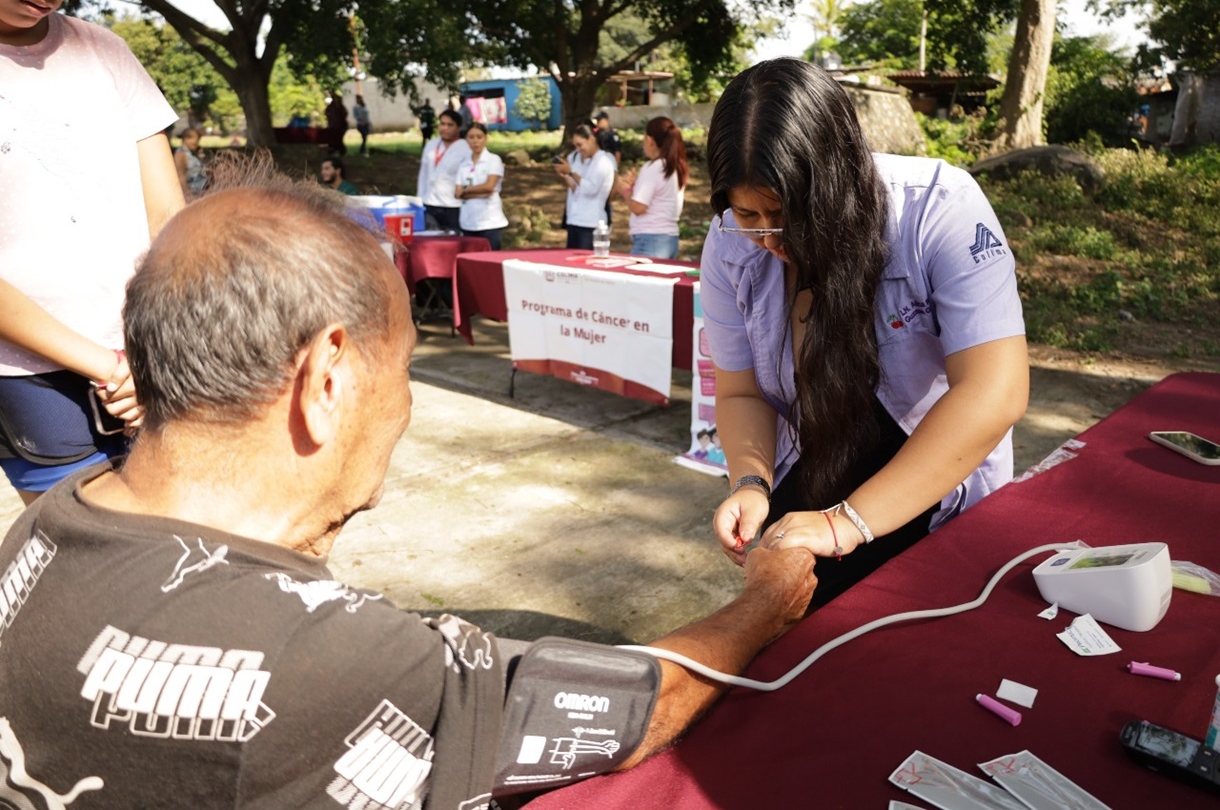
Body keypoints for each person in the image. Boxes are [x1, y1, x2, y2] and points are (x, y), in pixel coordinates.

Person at [0, 179, 817, 808]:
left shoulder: (45, 527)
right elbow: (632, 708)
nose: (407, 404)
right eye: (401, 368)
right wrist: (764, 605)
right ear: (326, 378)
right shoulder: (323, 657)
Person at [702, 58, 1028, 607]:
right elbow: (741, 390)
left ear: (836, 181)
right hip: (816, 465)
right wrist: (751, 483)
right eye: (746, 214)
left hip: (929, 469)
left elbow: (994, 392)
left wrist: (845, 524)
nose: (765, 237)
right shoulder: (729, 241)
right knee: (787, 624)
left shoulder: (940, 210)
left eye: (782, 214)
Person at [0, 0, 184, 506]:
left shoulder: (105, 50)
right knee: (94, 557)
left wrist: (158, 348)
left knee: (180, 547)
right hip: (33, 379)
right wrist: (109, 368)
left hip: (149, 352)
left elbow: (167, 213)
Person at [615, 116, 687, 259]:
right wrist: (636, 187)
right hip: (669, 239)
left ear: (649, 140)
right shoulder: (674, 166)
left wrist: (623, 189)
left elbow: (638, 207)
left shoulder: (653, 167)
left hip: (650, 239)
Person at [553, 124, 616, 250]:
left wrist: (571, 172)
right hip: (574, 219)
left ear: (591, 139)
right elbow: (576, 188)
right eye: (575, 145)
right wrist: (565, 174)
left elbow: (591, 189)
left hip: (591, 223)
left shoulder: (603, 162)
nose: (578, 149)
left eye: (580, 145)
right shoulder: (580, 159)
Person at [454, 123, 509, 250]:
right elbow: (457, 193)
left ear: (486, 138)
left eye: (479, 137)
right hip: (468, 221)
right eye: (471, 137)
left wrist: (466, 190)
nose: (475, 141)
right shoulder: (463, 164)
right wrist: (479, 192)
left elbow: (489, 187)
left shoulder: (493, 160)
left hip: (490, 221)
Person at [416, 108, 470, 232]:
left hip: (454, 205)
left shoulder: (465, 148)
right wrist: (420, 199)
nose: (445, 128)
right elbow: (423, 174)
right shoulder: (431, 145)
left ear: (459, 127)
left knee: (453, 243)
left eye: (450, 125)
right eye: (442, 124)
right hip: (430, 203)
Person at [594, 110, 622, 226]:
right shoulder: (596, 134)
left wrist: (615, 168)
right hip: (597, 166)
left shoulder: (612, 134)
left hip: (609, 165)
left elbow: (617, 152)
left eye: (600, 120)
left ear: (606, 121)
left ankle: (607, 220)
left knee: (607, 195)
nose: (598, 123)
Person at [174, 126, 208, 198]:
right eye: (196, 139)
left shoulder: (192, 154)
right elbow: (181, 176)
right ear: (186, 139)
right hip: (191, 195)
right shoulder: (180, 154)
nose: (197, 143)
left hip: (200, 193)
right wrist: (189, 195)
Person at [324, 90, 348, 155]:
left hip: (338, 126)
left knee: (337, 139)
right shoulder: (334, 107)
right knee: (336, 139)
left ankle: (338, 150)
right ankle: (336, 150)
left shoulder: (338, 107)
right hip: (335, 126)